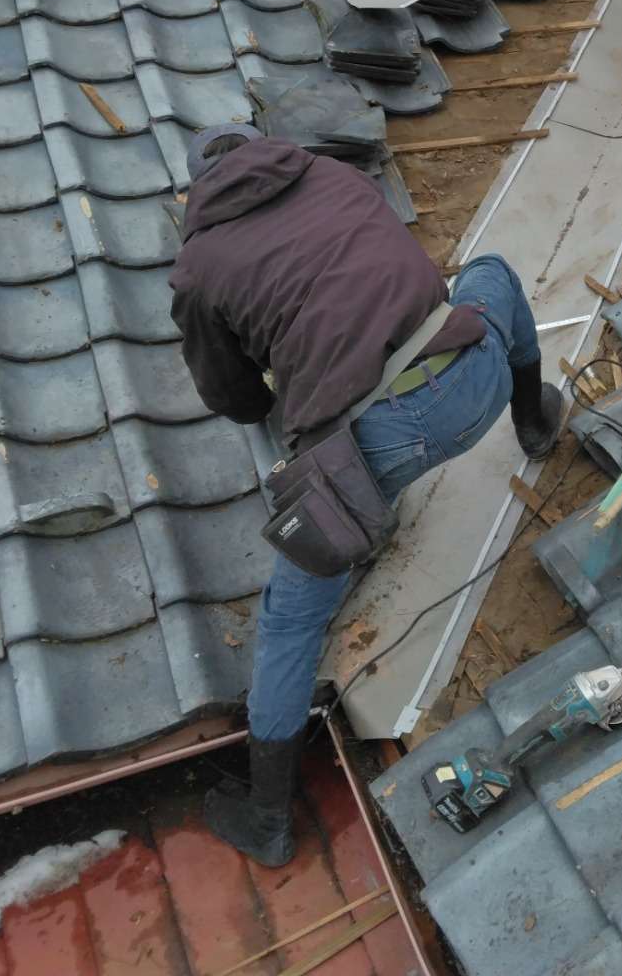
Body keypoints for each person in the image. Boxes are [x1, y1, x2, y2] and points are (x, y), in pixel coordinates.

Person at [168, 123, 562, 865]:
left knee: (289, 623)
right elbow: (396, 266)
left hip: (384, 446)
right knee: (496, 273)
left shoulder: (199, 267)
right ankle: (536, 421)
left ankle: (269, 822)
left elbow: (239, 400)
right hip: (474, 365)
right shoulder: (330, 171)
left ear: (196, 192)